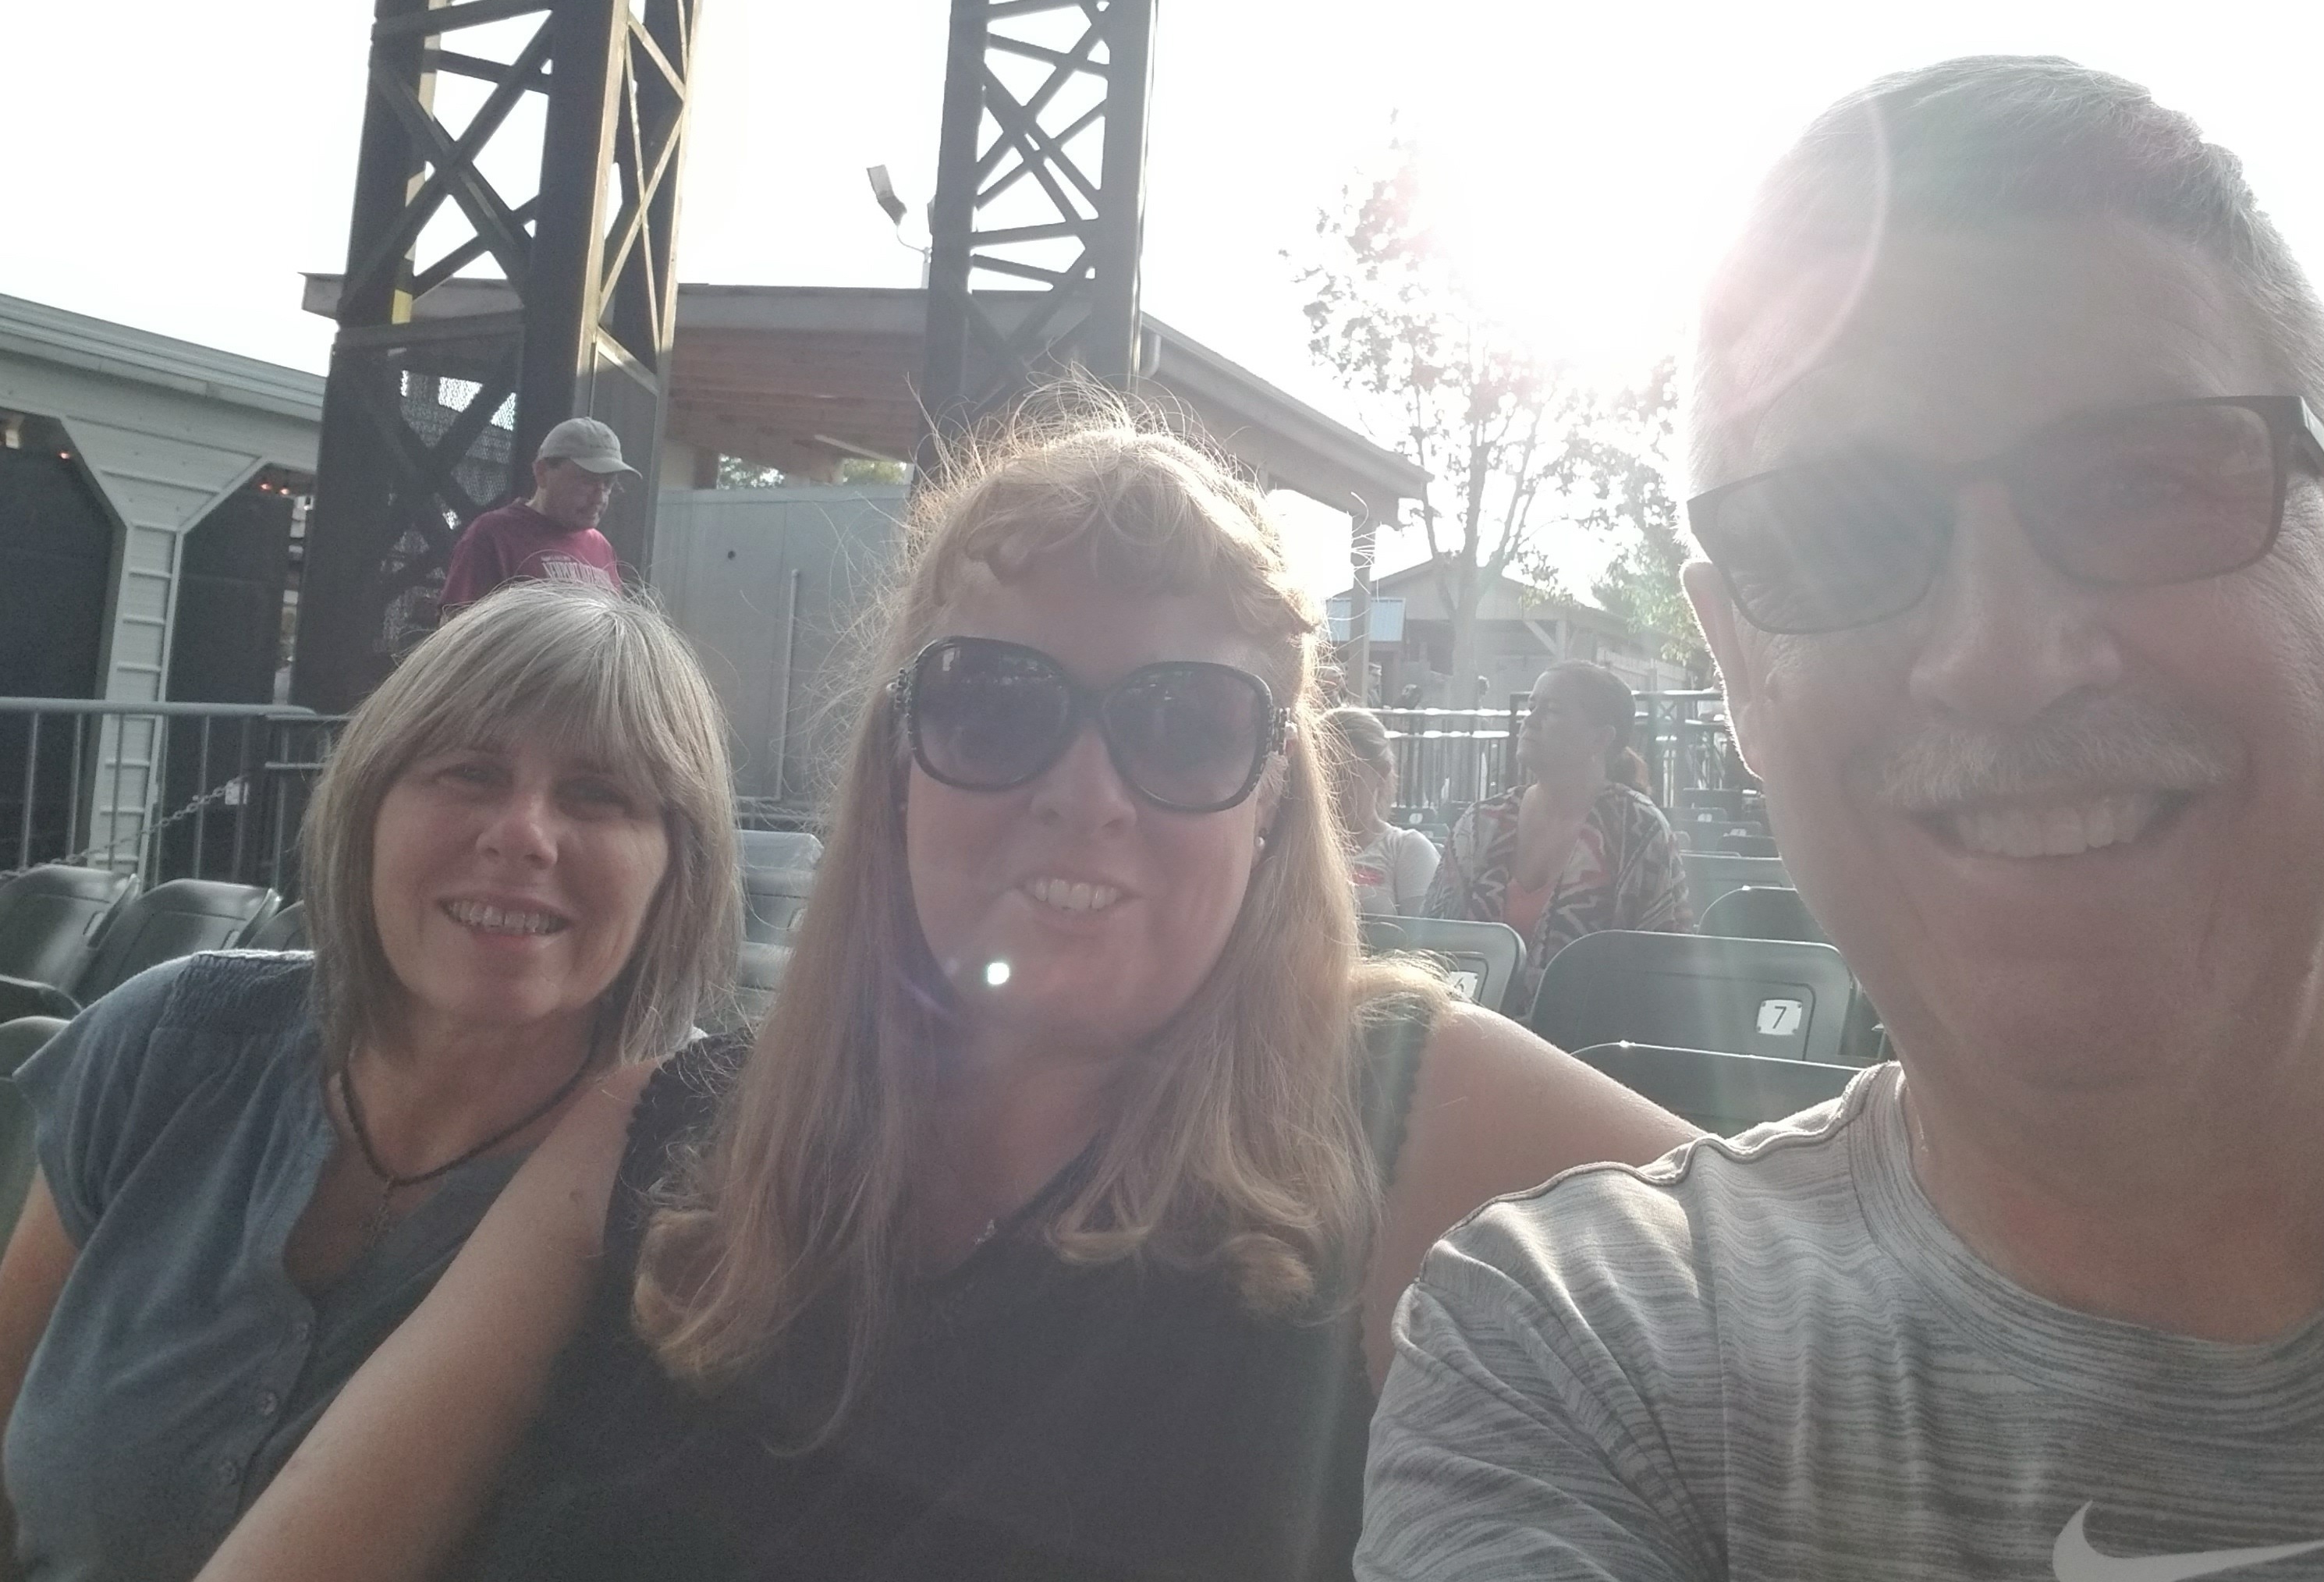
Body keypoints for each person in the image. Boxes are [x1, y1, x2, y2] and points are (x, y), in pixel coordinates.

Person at [1361, 58, 2324, 1576]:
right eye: (1838, 534)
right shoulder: (1580, 1356)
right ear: (1735, 669)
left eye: (2138, 484)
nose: (1999, 655)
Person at [197, 410, 1690, 1582]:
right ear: (894, 763)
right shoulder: (646, 1144)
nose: (1085, 792)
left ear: (1271, 807)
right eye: (992, 703)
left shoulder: (1415, 1116)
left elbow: (1831, 1336)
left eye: (1184, 725)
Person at [0, 580, 737, 1582]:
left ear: (677, 867)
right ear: (368, 808)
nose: (522, 833)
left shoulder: (704, 1178)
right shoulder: (168, 1041)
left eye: (598, 795)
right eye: (470, 772)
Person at [1426, 659, 1689, 1007]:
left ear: (1600, 739)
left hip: (1586, 1029)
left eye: (1551, 710)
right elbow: (1431, 945)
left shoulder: (1637, 830)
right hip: (1471, 1025)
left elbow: (1660, 970)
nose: (1529, 720)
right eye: (1531, 706)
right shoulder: (1481, 823)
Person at [438, 418, 637, 615]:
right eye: (587, 481)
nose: (599, 498)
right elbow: (454, 625)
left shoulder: (602, 547)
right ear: (542, 472)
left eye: (608, 484)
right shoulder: (494, 535)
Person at [1328, 707, 1438, 917]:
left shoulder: (1407, 848)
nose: (1333, 788)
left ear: (1381, 774)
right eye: (1325, 775)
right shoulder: (1293, 847)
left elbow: (1422, 935)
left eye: (1345, 775)